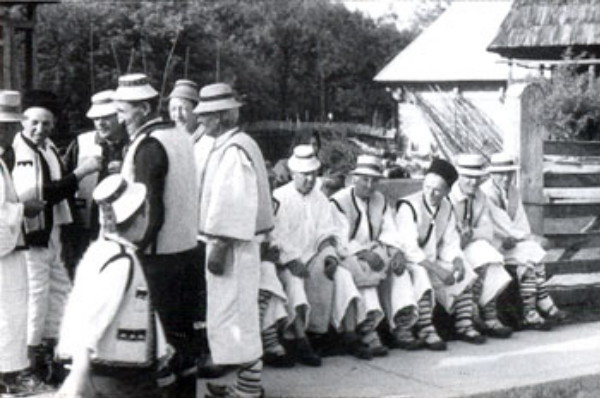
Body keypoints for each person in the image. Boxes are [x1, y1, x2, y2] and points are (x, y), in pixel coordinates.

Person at [114, 73, 200, 397]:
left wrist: (133, 249)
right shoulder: (179, 136)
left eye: (124, 111)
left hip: (158, 258)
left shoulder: (149, 145)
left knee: (157, 339)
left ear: (145, 108)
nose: (121, 120)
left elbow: (152, 209)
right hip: (187, 250)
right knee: (182, 336)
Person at [12, 100, 101, 384]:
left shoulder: (48, 148)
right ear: (22, 122)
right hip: (31, 234)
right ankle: (29, 361)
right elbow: (41, 195)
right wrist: (81, 173)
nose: (40, 129)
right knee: (35, 296)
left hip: (53, 231)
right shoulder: (18, 152)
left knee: (60, 289)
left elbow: (57, 189)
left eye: (46, 123)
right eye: (34, 122)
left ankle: (56, 351)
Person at [194, 82, 273, 398]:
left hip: (233, 247)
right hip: (231, 244)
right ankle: (245, 384)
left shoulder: (234, 149)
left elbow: (234, 202)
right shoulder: (232, 144)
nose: (201, 121)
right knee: (233, 314)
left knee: (238, 315)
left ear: (223, 116)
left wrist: (221, 245)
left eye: (208, 115)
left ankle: (249, 390)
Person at [56, 175, 167, 398]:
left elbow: (135, 306)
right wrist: (79, 373)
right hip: (118, 374)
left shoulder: (102, 251)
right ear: (139, 218)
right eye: (146, 211)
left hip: (121, 370)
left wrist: (161, 346)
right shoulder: (121, 262)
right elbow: (93, 315)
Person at [272, 145, 371, 365]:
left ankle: (349, 334)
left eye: (313, 174)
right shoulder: (279, 197)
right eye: (304, 175)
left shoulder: (321, 199)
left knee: (342, 275)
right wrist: (290, 260)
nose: (309, 179)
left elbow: (328, 232)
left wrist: (329, 255)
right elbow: (275, 237)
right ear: (293, 174)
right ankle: (300, 340)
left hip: (314, 255)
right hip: (287, 260)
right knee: (295, 282)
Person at [332, 155, 443, 351]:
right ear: (353, 179)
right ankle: (368, 330)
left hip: (378, 252)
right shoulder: (339, 202)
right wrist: (363, 253)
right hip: (349, 256)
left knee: (399, 269)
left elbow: (390, 230)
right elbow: (339, 240)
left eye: (374, 180)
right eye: (364, 179)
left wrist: (396, 251)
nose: (369, 185)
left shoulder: (379, 199)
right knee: (365, 272)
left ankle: (402, 327)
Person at [396, 158, 485, 345]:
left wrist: (457, 261)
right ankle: (425, 329)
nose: (430, 193)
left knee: (465, 271)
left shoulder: (446, 207)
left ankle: (464, 324)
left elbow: (450, 242)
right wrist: (439, 270)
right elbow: (409, 249)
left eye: (437, 190)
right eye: (427, 186)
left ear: (447, 191)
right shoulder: (409, 206)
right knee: (421, 275)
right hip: (411, 263)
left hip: (433, 260)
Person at [481, 152, 566, 330]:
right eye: (500, 173)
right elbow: (499, 224)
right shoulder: (486, 194)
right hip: (494, 243)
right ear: (492, 174)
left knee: (533, 252)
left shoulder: (513, 191)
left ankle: (534, 307)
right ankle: (535, 308)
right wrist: (528, 237)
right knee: (529, 254)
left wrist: (526, 238)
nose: (505, 178)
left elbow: (520, 221)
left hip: (513, 240)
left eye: (509, 173)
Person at [0, 90, 48, 395]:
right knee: (10, 312)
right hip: (4, 251)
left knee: (12, 310)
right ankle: (10, 374)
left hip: (9, 246)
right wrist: (23, 209)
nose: (9, 132)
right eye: (6, 126)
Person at [62, 90, 128, 274]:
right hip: (85, 226)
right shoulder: (82, 143)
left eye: (106, 117)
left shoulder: (133, 142)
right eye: (96, 118)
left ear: (120, 117)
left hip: (123, 226)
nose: (100, 123)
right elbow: (64, 181)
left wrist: (127, 169)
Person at [448, 154, 513, 339]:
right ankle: (471, 315)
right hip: (450, 247)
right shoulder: (450, 197)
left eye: (477, 177)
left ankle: (488, 315)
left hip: (471, 242)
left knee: (490, 259)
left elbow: (487, 229)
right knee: (480, 257)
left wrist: (471, 234)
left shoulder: (480, 197)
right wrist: (462, 236)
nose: (473, 182)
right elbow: (445, 230)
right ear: (459, 176)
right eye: (468, 177)